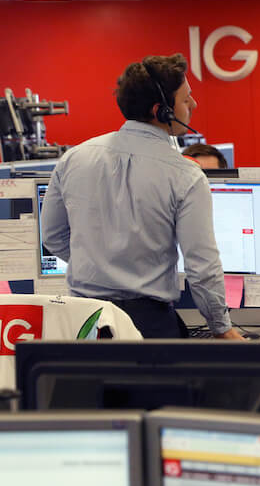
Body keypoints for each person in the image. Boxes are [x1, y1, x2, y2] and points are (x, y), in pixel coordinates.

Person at [40, 54, 241, 340]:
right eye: (186, 99)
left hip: (85, 322)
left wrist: (100, 264)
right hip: (148, 326)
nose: (194, 104)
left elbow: (52, 236)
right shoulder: (185, 175)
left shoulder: (74, 158)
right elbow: (202, 266)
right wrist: (222, 328)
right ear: (162, 111)